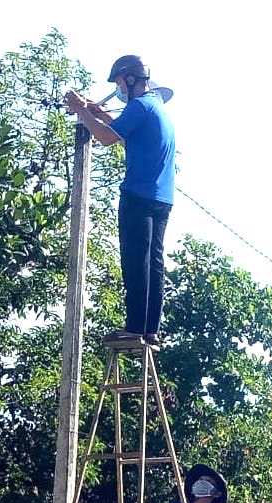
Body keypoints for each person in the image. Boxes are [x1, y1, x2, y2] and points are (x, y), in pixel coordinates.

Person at [63, 55, 176, 345]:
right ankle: (150, 329)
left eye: (118, 82)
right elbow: (127, 137)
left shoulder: (139, 105)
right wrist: (99, 113)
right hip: (161, 198)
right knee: (153, 264)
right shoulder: (155, 107)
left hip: (138, 195)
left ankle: (135, 328)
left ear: (129, 79)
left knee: (135, 262)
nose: (118, 89)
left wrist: (80, 111)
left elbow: (105, 138)